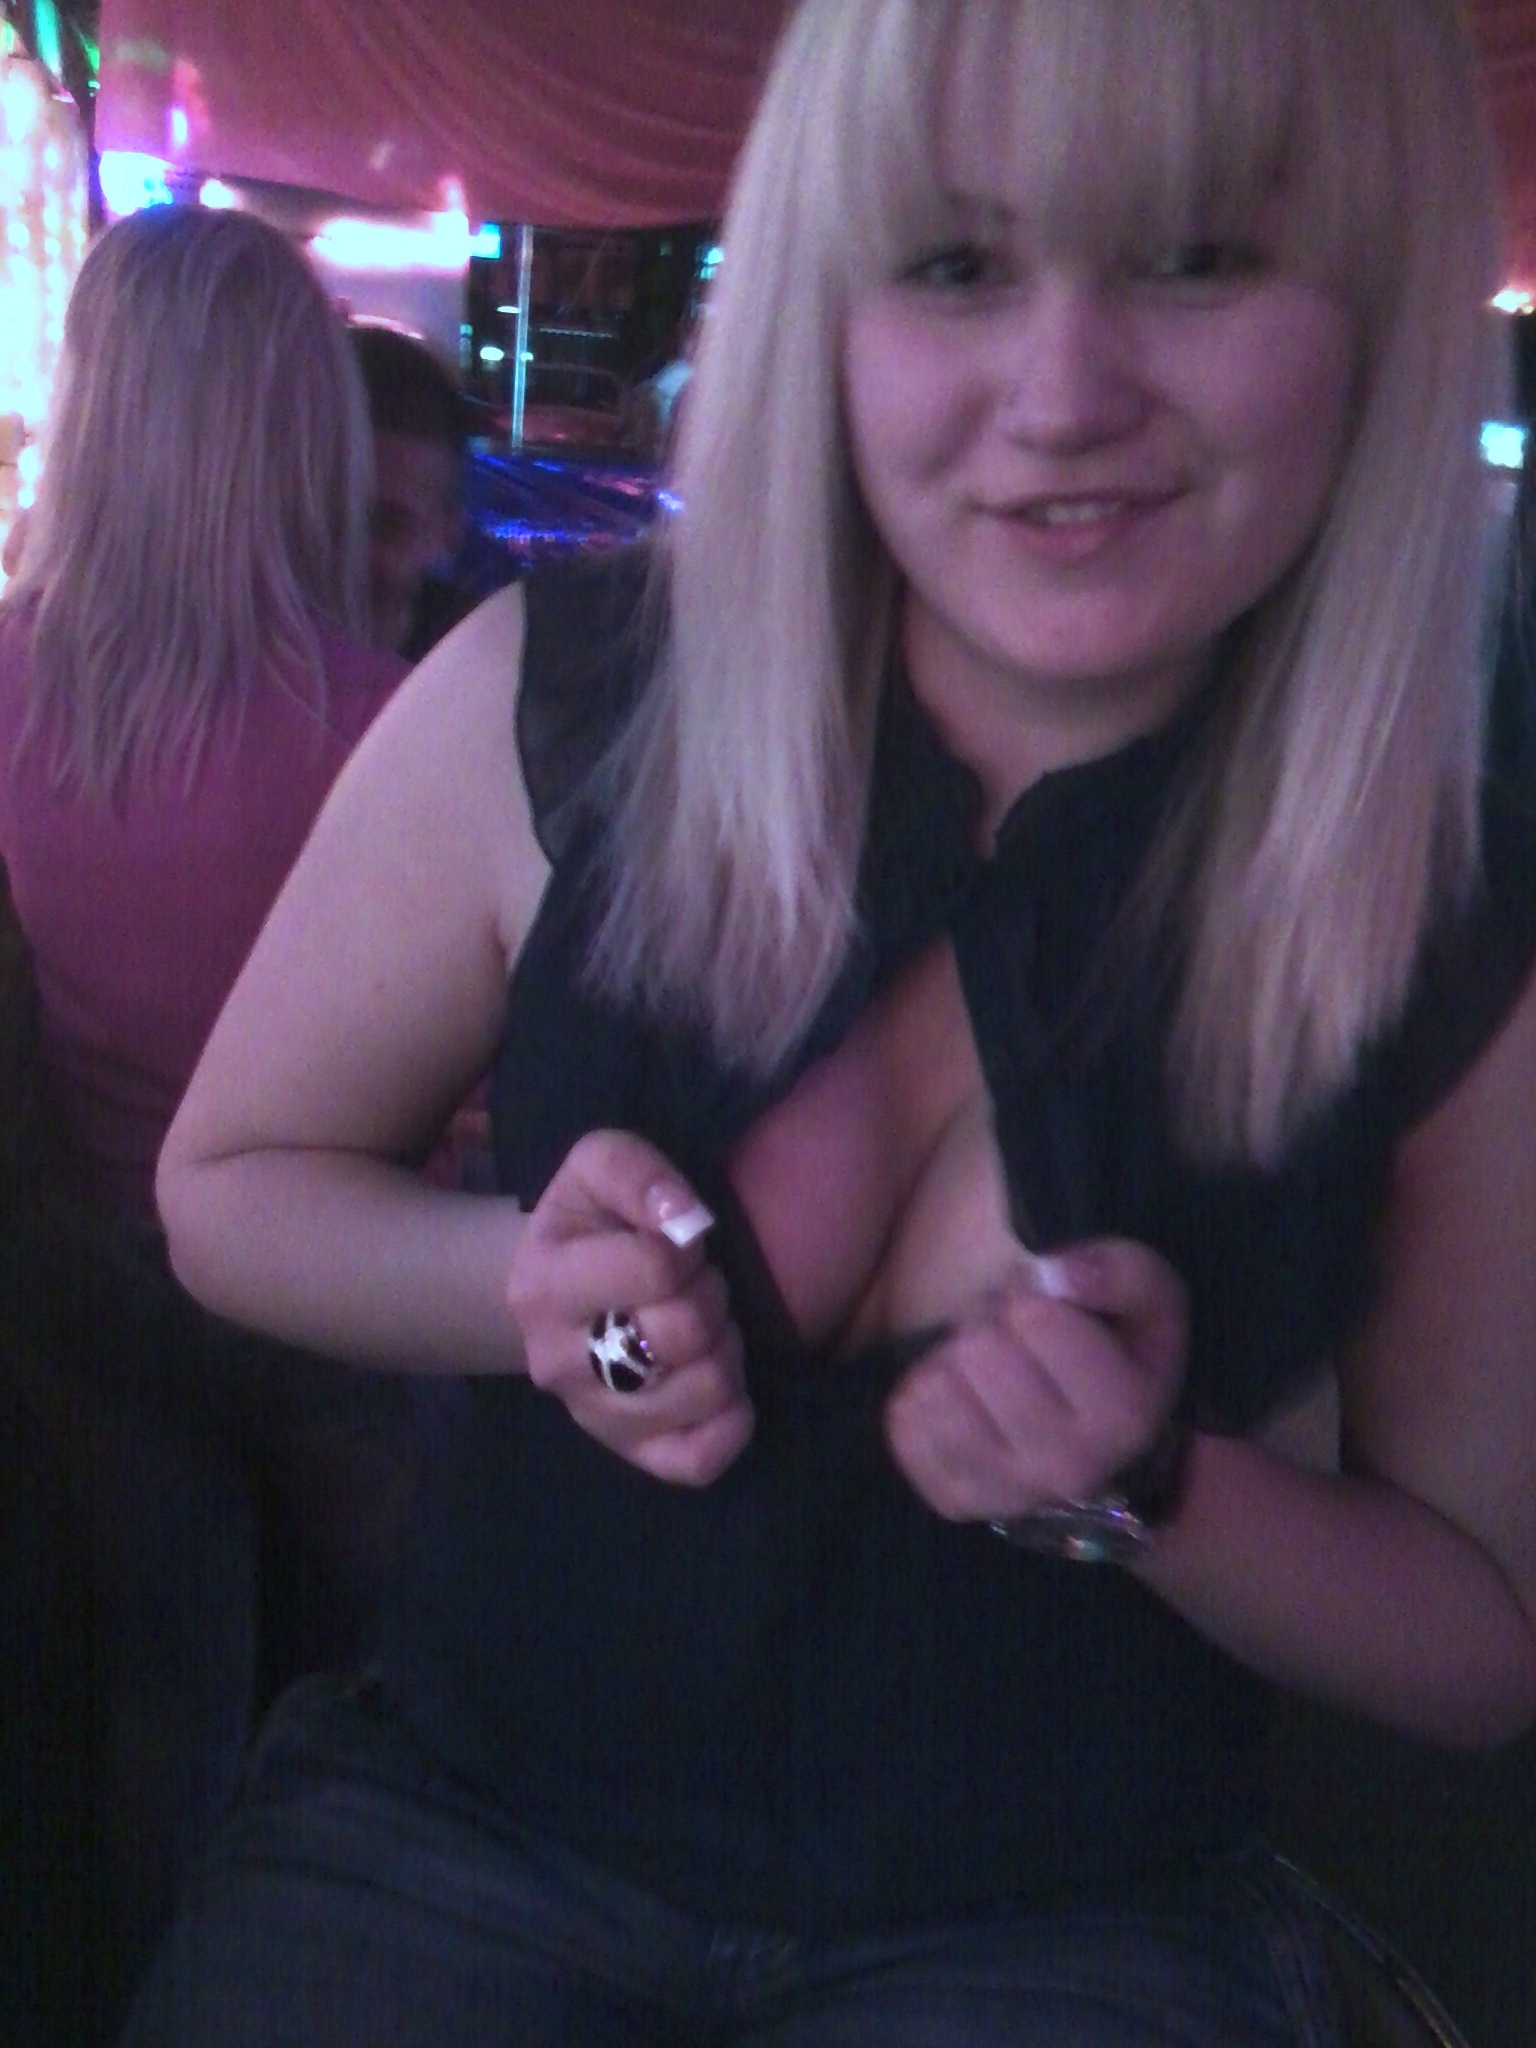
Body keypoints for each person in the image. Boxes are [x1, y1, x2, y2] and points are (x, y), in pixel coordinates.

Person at [142, 0, 1536, 2042]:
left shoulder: (1443, 888)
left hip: (1068, 1912)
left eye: (1198, 254)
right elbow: (226, 1186)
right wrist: (534, 1295)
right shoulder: (567, 694)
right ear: (831, 307)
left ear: (1378, 308)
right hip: (464, 1818)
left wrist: (1150, 1482)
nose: (1062, 393)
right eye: (958, 262)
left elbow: (1484, 1635)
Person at [0, 205, 452, 2032]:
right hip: (329, 1294)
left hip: (89, 1275)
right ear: (294, 431)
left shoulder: (8, 673)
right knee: (387, 1699)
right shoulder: (386, 722)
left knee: (161, 1693)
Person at [349, 322, 477, 661]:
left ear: (449, 532)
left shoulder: (482, 670)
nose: (345, 553)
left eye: (385, 525)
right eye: (325, 517)